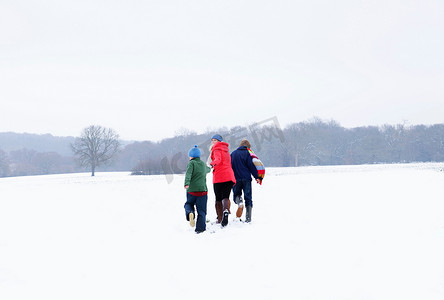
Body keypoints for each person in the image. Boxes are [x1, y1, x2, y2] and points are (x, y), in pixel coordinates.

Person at [230, 139, 264, 222]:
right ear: (248, 147)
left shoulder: (233, 154)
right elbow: (251, 166)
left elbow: (229, 167)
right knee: (248, 198)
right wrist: (257, 177)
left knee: (236, 195)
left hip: (235, 178)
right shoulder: (248, 154)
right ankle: (248, 219)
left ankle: (239, 202)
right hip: (246, 179)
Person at [209, 134, 236, 227]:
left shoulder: (216, 149)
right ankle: (225, 210)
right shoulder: (226, 150)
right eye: (212, 140)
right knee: (226, 196)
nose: (212, 142)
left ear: (219, 141)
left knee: (218, 198)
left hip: (219, 176)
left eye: (214, 140)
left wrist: (212, 164)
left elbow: (218, 159)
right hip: (229, 176)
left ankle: (220, 218)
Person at [184, 145, 211, 233]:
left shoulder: (191, 163)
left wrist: (186, 183)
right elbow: (208, 169)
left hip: (192, 190)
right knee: (202, 211)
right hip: (203, 191)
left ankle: (190, 213)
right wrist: (211, 167)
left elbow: (188, 174)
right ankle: (200, 229)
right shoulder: (203, 164)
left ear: (191, 156)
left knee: (188, 204)